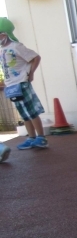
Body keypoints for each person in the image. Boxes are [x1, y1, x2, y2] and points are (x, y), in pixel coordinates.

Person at [0, 17, 48, 151]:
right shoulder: (1, 49)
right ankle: (31, 138)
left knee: (31, 111)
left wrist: (30, 73)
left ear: (4, 34)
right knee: (24, 113)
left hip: (22, 83)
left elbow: (35, 57)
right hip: (11, 86)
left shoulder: (16, 46)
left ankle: (41, 138)